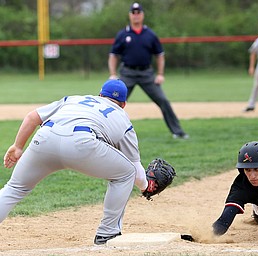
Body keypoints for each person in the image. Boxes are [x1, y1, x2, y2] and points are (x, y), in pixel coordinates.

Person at [1, 79, 149, 245]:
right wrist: (146, 187)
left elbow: (32, 117)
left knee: (14, 188)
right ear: (123, 104)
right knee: (126, 173)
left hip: (45, 137)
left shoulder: (72, 99)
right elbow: (135, 170)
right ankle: (107, 234)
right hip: (83, 145)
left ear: (99, 95)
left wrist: (18, 146)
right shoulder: (124, 120)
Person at [108, 2, 189, 139]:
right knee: (113, 102)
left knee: (163, 101)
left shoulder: (150, 34)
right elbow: (113, 56)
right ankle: (105, 133)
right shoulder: (123, 34)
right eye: (133, 13)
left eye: (138, 12)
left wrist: (160, 74)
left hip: (147, 74)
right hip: (127, 73)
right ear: (130, 15)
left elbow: (160, 56)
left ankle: (178, 132)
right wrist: (113, 74)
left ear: (142, 15)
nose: (136, 15)